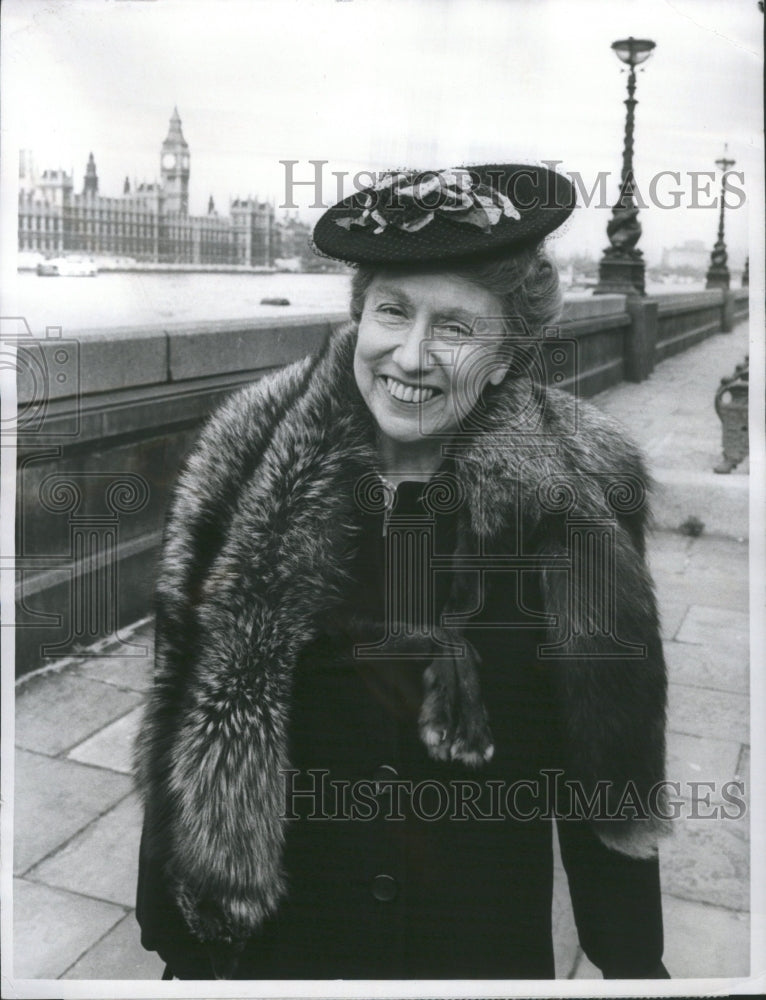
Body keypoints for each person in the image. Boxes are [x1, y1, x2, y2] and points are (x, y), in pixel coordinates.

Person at [135, 164, 671, 980]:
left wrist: (633, 956)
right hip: (287, 950)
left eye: (454, 328)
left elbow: (608, 741)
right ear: (360, 316)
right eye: (393, 311)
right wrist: (181, 935)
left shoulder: (579, 495)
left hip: (475, 939)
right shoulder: (242, 467)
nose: (411, 357)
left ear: (504, 357)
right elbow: (189, 697)